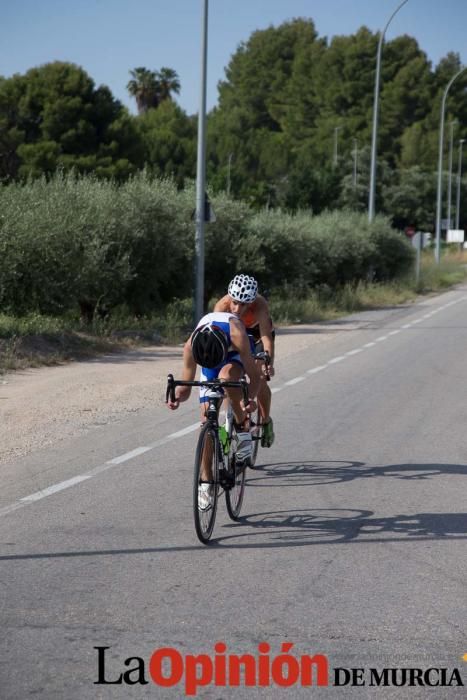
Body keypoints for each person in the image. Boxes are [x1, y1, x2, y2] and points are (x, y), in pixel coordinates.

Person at [167, 311, 261, 506]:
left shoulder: (237, 335)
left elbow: (255, 376)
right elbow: (185, 387)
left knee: (226, 377)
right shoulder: (191, 346)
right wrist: (176, 397)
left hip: (234, 355)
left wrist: (249, 399)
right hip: (209, 360)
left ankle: (242, 426)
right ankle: (206, 481)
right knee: (205, 419)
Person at [214, 274, 275, 448]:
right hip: (234, 334)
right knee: (227, 377)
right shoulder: (222, 305)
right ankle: (229, 417)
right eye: (235, 302)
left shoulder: (260, 306)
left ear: (252, 302)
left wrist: (268, 362)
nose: (238, 309)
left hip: (255, 336)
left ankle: (265, 420)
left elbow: (266, 339)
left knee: (260, 376)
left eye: (244, 305)